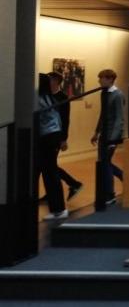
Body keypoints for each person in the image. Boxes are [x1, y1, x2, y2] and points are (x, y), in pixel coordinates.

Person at [47, 71, 83, 200]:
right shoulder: (46, 96)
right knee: (47, 165)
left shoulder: (63, 98)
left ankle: (74, 184)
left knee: (49, 165)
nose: (48, 82)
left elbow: (65, 119)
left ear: (56, 81)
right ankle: (52, 192)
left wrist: (63, 139)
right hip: (46, 135)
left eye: (50, 79)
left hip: (56, 136)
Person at [92, 68, 125, 207]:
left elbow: (119, 118)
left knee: (105, 163)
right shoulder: (103, 93)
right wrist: (96, 132)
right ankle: (125, 177)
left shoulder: (118, 95)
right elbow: (103, 114)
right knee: (104, 163)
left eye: (102, 78)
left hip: (111, 135)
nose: (99, 81)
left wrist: (113, 139)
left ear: (110, 79)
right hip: (104, 134)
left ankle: (110, 194)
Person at [38, 73, 68, 221]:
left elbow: (63, 119)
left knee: (50, 173)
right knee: (50, 172)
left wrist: (63, 138)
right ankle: (57, 208)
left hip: (49, 137)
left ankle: (59, 209)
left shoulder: (42, 99)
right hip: (51, 136)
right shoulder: (49, 98)